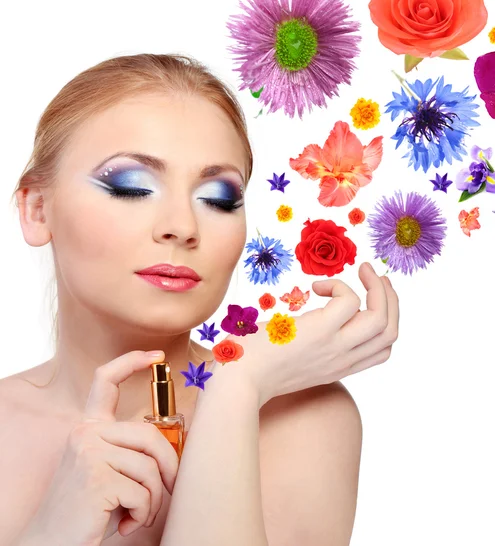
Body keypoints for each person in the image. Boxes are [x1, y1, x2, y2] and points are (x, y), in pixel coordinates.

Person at [0, 53, 399, 545]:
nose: (183, 227)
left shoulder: (303, 421)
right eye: (132, 187)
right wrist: (53, 531)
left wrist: (233, 387)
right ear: (37, 210)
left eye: (218, 198)